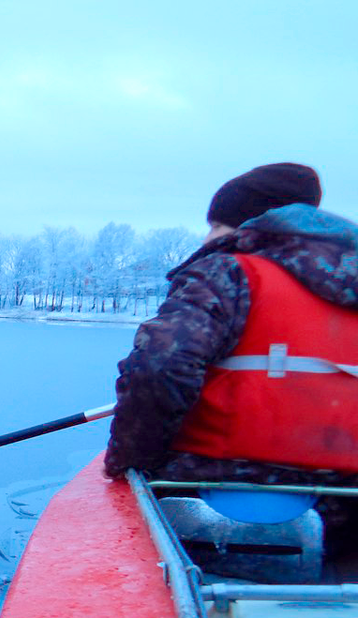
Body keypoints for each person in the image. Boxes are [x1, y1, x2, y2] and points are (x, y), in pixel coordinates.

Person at [104, 162, 358, 554]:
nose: (208, 238)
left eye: (217, 226)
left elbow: (160, 367)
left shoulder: (226, 273)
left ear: (253, 226)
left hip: (216, 495)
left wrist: (130, 460)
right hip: (346, 506)